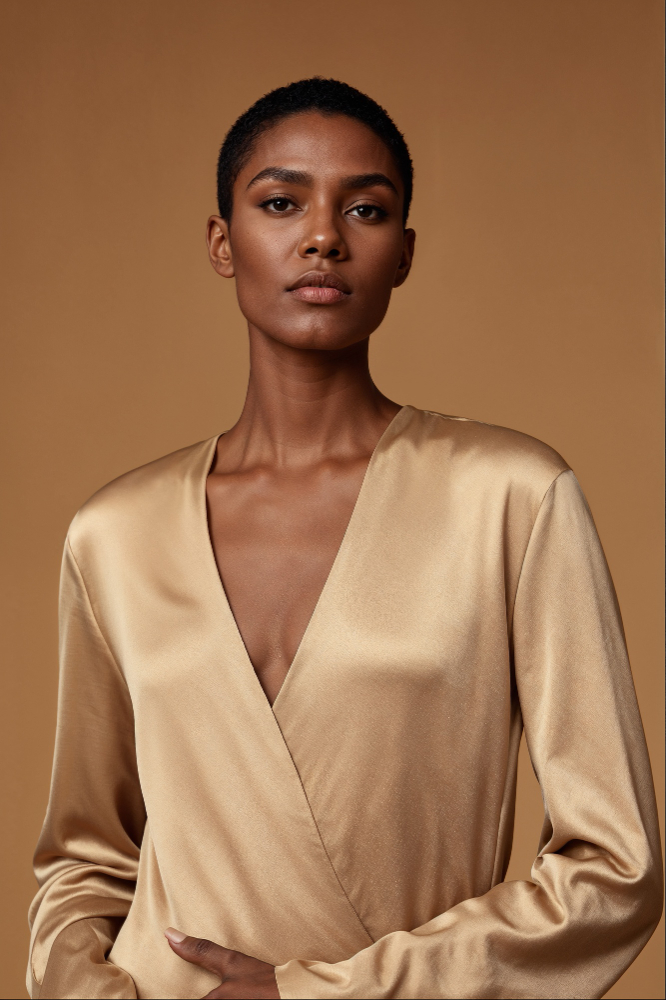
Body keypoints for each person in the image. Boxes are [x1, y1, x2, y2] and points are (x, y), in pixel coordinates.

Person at [28, 78, 661, 1000]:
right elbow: (82, 867)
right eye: (280, 202)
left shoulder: (511, 499)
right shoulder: (113, 537)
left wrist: (320, 993)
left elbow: (615, 869)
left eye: (365, 209)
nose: (322, 235)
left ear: (402, 254)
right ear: (221, 241)